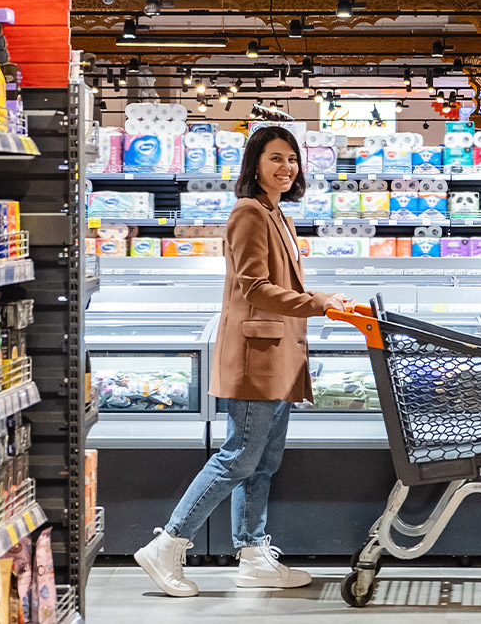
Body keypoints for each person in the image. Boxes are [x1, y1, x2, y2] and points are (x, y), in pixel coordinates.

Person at [134, 126, 351, 595]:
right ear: (254, 164)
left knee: (264, 461)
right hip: (256, 355)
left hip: (279, 354)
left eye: (292, 159)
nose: (286, 167)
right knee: (237, 458)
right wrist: (319, 303)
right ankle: (167, 544)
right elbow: (253, 288)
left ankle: (252, 554)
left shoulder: (278, 214)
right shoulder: (249, 212)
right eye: (275, 158)